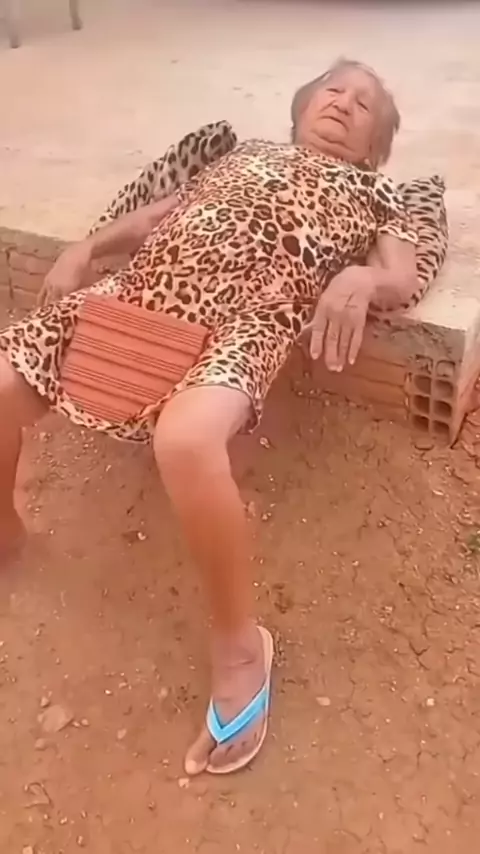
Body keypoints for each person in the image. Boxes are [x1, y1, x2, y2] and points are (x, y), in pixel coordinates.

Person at [0, 59, 421, 776]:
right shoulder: (241, 154)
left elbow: (403, 272)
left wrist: (361, 276)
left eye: (365, 105)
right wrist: (87, 247)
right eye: (334, 90)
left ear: (375, 146)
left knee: (188, 439)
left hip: (251, 317)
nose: (344, 104)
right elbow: (153, 216)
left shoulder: (374, 194)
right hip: (142, 291)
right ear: (300, 108)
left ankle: (241, 647)